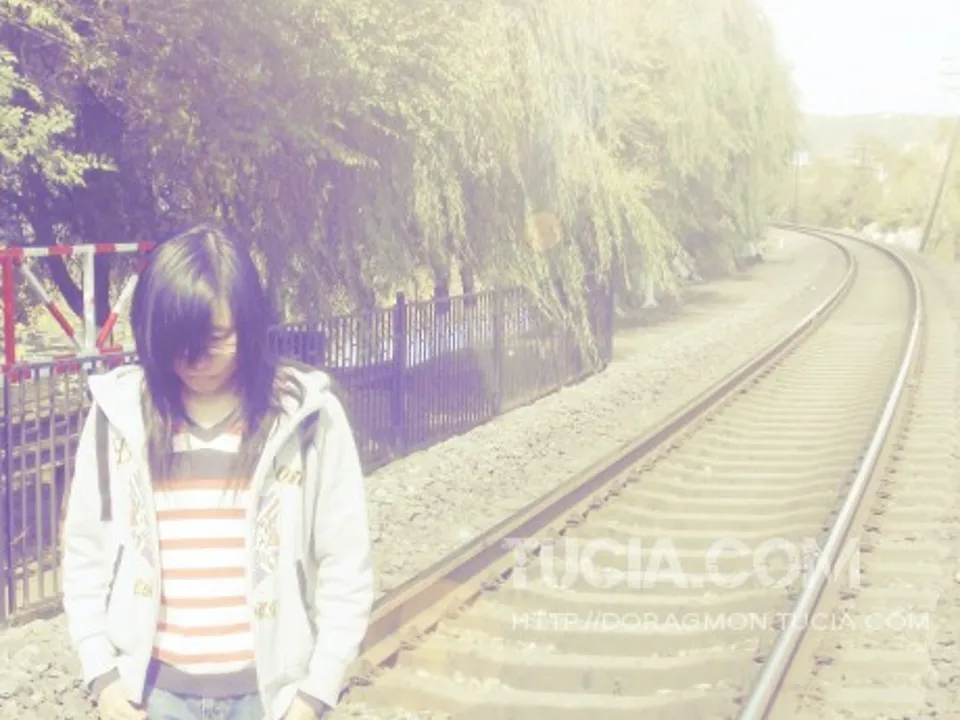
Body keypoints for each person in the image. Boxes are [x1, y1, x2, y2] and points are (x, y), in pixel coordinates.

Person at [60, 223, 375, 719]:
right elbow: (85, 552)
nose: (194, 360)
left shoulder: (307, 417)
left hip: (269, 698)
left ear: (248, 323)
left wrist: (315, 693)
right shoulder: (119, 416)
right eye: (176, 341)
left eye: (215, 338)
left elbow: (345, 560)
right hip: (152, 696)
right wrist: (104, 678)